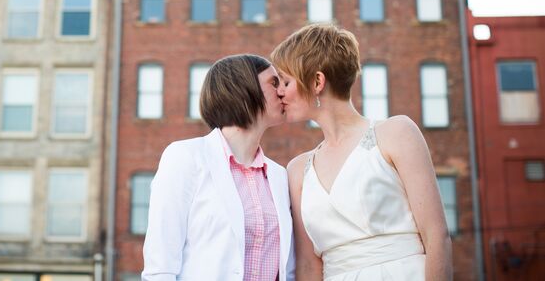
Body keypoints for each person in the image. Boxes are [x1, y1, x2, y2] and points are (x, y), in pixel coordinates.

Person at [271, 24, 452, 281]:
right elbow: (308, 266)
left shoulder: (396, 134)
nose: (279, 91)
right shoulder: (297, 170)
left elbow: (437, 236)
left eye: (286, 81)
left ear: (317, 81)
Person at [142, 54, 295, 281]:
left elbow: (288, 270)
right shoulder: (185, 158)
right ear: (242, 88)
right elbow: (160, 266)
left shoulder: (279, 176)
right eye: (274, 83)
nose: (283, 91)